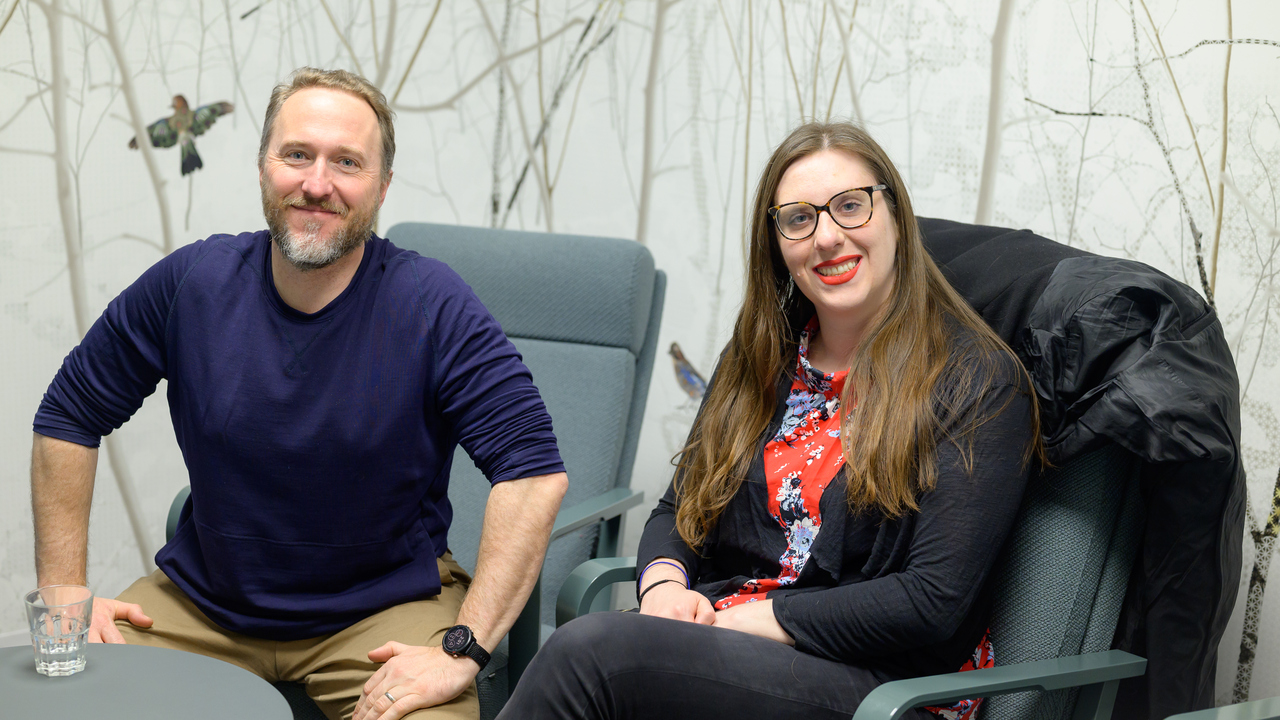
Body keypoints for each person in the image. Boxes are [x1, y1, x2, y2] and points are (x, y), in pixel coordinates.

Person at [30, 67, 568, 720]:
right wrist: (64, 595)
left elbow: (533, 474)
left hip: (381, 615)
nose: (318, 184)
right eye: (297, 155)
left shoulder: (432, 304)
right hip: (203, 610)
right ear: (263, 168)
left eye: (347, 162)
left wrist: (463, 648)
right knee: (61, 700)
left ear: (381, 187)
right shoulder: (193, 285)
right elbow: (69, 413)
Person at [499, 122, 1042, 720]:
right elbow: (681, 511)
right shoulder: (762, 357)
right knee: (604, 655)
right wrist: (663, 587)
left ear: (894, 214)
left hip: (883, 688)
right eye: (798, 219)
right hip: (732, 647)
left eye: (850, 207)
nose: (827, 237)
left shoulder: (978, 380)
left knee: (590, 654)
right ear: (777, 242)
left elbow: (930, 602)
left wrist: (759, 617)